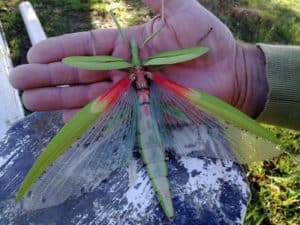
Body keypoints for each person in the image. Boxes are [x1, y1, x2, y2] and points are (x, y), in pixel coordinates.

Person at [0, 0, 299, 224]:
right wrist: (244, 73)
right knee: (71, 136)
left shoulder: (130, 78)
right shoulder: (153, 75)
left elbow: (196, 53)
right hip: (149, 101)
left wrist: (242, 72)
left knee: (79, 132)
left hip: (138, 103)